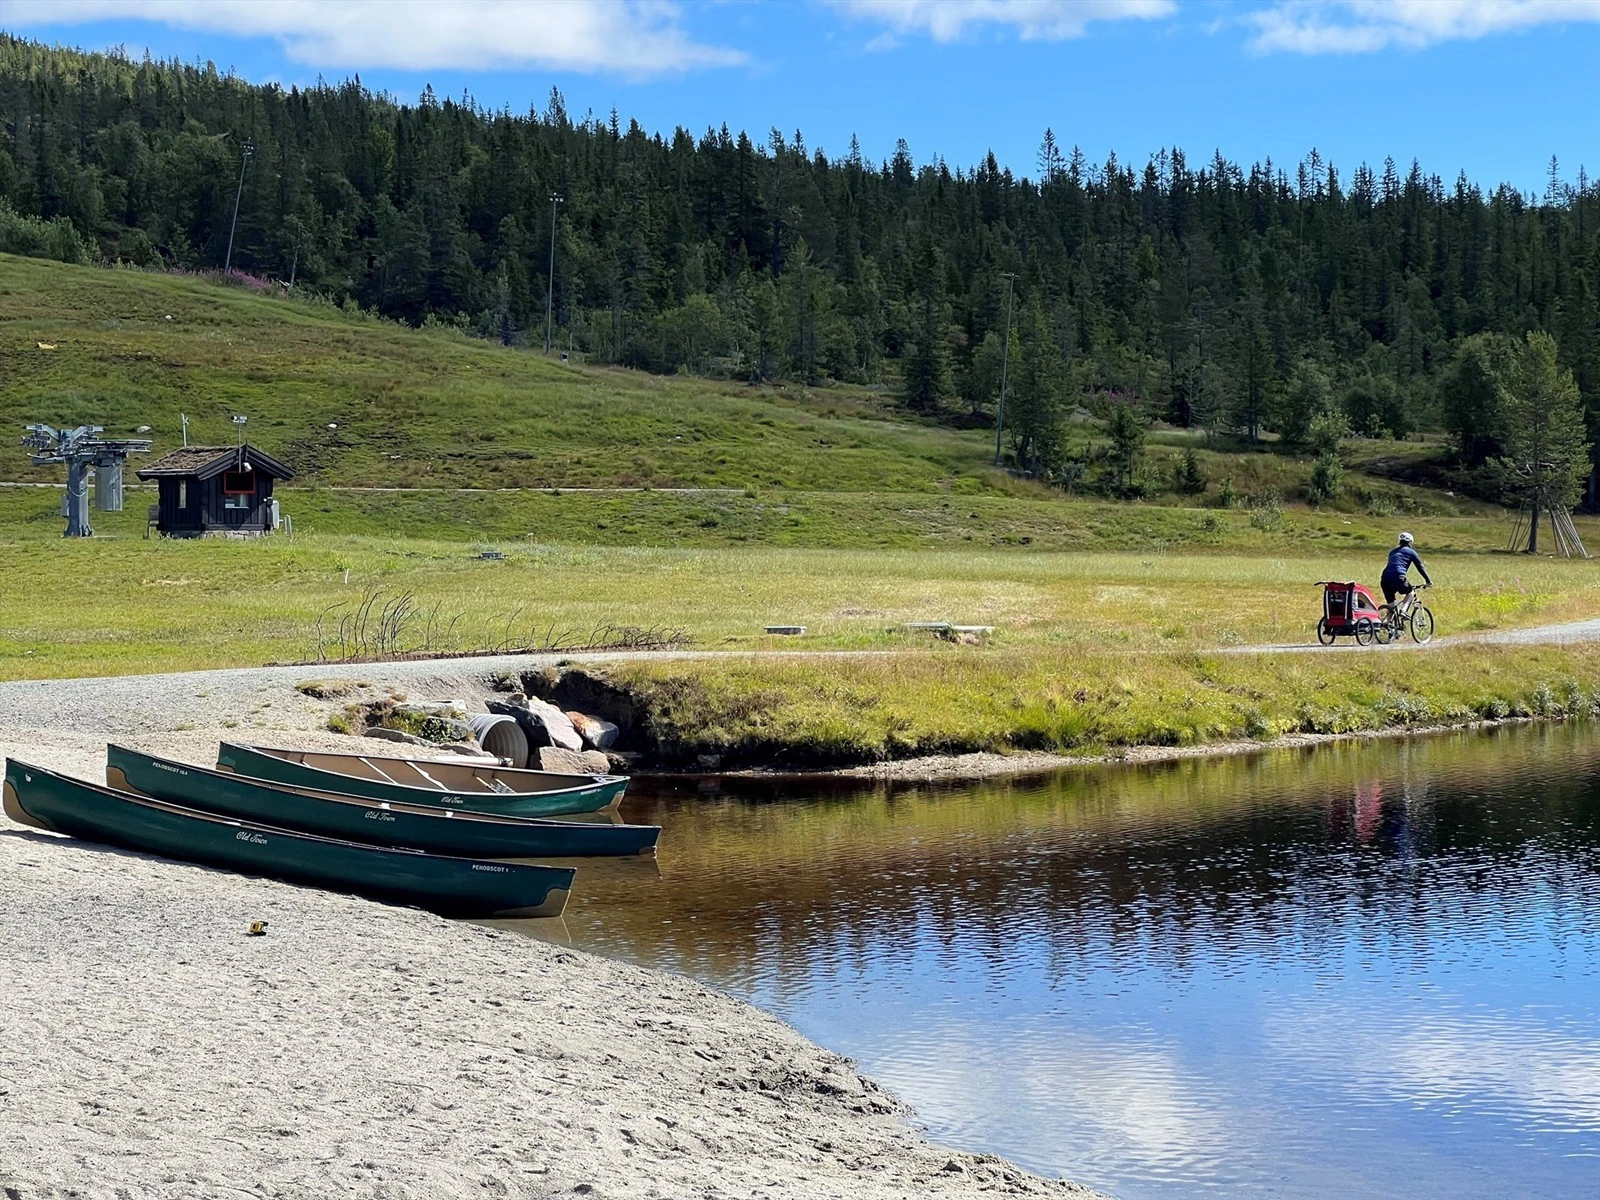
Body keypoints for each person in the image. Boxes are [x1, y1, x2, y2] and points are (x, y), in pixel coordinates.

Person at [1381, 531, 1432, 605]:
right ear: (1410, 542)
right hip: (1398, 576)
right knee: (1411, 592)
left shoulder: (1392, 552)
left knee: (1391, 604)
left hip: (1385, 578)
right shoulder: (1411, 552)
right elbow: (1420, 567)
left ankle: (1388, 615)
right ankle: (1403, 611)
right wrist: (1428, 581)